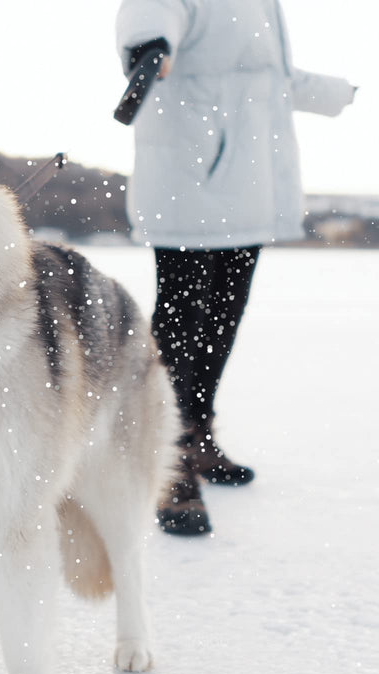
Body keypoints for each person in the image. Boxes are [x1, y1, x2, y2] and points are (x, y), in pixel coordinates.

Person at [115, 0, 357, 535]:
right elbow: (150, 17)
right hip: (193, 176)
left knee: (224, 315)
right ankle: (166, 455)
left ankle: (196, 432)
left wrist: (343, 93)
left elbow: (274, 81)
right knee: (183, 319)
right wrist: (149, 48)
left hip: (248, 186)